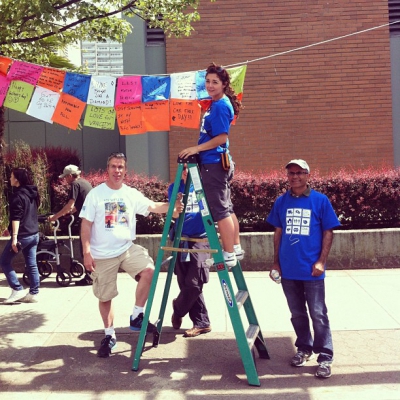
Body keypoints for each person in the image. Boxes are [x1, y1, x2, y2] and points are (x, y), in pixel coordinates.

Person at [79, 152, 184, 358]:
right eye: (113, 166)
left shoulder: (130, 193)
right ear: (107, 169)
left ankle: (137, 315)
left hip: (126, 248)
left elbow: (153, 206)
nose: (117, 170)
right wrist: (86, 252)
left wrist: (172, 207)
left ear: (125, 170)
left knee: (149, 271)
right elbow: (86, 225)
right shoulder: (96, 194)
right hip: (102, 254)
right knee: (105, 296)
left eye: (120, 167)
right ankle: (110, 336)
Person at [266, 159, 340, 379]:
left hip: (312, 271)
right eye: (291, 173)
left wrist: (321, 261)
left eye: (299, 172)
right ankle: (304, 348)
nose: (295, 176)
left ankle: (325, 356)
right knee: (297, 314)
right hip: (288, 270)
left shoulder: (320, 200)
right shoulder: (281, 202)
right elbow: (278, 232)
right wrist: (276, 262)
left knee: (318, 314)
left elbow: (329, 231)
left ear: (308, 175)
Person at [178, 63, 244, 268]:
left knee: (220, 210)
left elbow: (222, 137)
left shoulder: (221, 105)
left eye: (215, 82)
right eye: (207, 81)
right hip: (215, 162)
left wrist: (195, 149)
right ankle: (235, 247)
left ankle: (229, 253)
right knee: (226, 207)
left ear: (224, 84)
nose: (210, 85)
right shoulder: (215, 104)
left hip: (213, 163)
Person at [169, 164, 212, 337]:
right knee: (184, 281)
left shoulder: (204, 187)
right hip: (181, 239)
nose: (187, 172)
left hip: (200, 238)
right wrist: (177, 205)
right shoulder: (174, 187)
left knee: (195, 283)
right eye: (184, 169)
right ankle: (202, 322)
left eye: (191, 168)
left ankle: (178, 309)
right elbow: (173, 213)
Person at [49, 164, 93, 286]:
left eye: (65, 177)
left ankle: (90, 277)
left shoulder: (75, 184)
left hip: (87, 221)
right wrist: (66, 214)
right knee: (91, 247)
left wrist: (55, 217)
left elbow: (70, 205)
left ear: (70, 176)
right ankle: (94, 275)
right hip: (94, 219)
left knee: (84, 248)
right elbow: (78, 205)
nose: (65, 180)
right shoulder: (85, 183)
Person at [1, 168, 40, 303]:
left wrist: (14, 238)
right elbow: (28, 214)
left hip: (22, 236)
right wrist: (9, 229)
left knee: (4, 261)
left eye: (11, 176)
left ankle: (17, 289)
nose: (9, 179)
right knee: (32, 264)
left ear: (17, 179)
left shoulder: (17, 196)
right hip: (34, 234)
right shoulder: (32, 193)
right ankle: (34, 293)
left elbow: (16, 218)